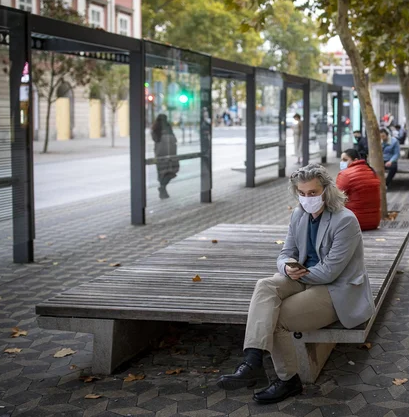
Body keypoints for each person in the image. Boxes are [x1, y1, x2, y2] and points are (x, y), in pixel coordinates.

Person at [217, 164, 374, 404]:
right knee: (265, 286)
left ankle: (288, 380)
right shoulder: (299, 214)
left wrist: (297, 273)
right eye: (302, 193)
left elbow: (330, 272)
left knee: (279, 318)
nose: (307, 198)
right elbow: (284, 253)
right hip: (304, 277)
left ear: (326, 190)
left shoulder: (345, 221)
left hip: (337, 289)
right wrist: (287, 267)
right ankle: (252, 361)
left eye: (312, 193)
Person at [337, 149, 381, 231]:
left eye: (345, 160)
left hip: (354, 222)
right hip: (374, 221)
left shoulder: (345, 174)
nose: (342, 163)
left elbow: (335, 198)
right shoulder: (371, 171)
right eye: (341, 160)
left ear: (355, 160)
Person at [151, 114, 179, 199]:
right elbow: (174, 139)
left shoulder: (155, 129)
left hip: (160, 153)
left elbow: (155, 139)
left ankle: (163, 188)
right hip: (169, 153)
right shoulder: (167, 128)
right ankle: (163, 189)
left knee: (162, 173)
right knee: (171, 171)